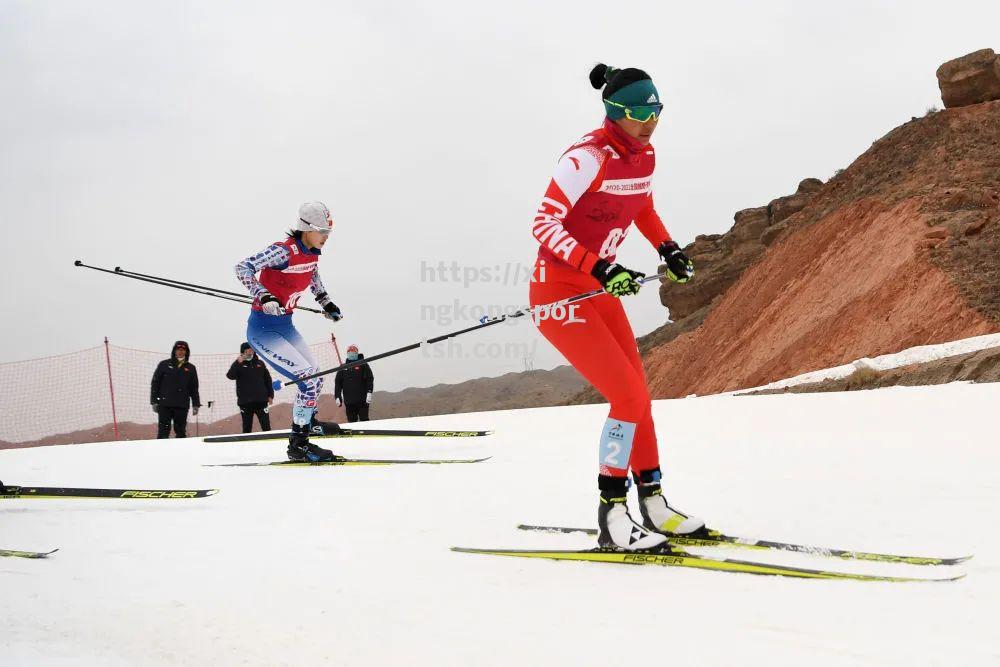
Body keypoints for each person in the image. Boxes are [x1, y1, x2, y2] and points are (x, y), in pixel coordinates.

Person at [528, 64, 703, 551]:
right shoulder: (584, 158)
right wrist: (600, 267)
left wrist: (667, 247)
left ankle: (655, 504)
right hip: (559, 293)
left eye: (657, 111)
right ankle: (612, 513)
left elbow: (641, 205)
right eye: (641, 113)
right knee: (626, 397)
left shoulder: (643, 155)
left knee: (639, 395)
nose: (651, 122)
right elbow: (543, 225)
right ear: (616, 112)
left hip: (597, 288)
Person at [235, 201, 344, 461]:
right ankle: (298, 444)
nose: (326, 237)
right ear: (307, 229)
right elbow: (243, 267)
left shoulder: (311, 254)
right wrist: (263, 295)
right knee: (307, 378)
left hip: (286, 325)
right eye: (322, 232)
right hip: (263, 329)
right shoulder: (283, 251)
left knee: (316, 376)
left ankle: (309, 422)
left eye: (328, 233)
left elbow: (312, 275)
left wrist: (326, 302)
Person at [150, 340, 201, 438]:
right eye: (178, 349)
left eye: (183, 349)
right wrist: (154, 401)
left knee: (181, 431)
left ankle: (180, 452)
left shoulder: (191, 368)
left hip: (181, 405)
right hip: (165, 404)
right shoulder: (164, 364)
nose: (180, 351)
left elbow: (194, 388)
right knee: (163, 431)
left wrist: (196, 404)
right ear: (174, 351)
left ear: (186, 352)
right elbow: (155, 383)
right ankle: (160, 451)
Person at [226, 342, 274, 433]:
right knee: (247, 429)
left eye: (251, 349)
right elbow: (230, 376)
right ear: (243, 352)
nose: (250, 351)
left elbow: (268, 380)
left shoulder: (260, 363)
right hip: (245, 403)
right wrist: (237, 363)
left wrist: (270, 395)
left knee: (266, 427)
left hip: (261, 401)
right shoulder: (238, 364)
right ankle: (246, 446)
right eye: (247, 349)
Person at [334, 344, 374, 422]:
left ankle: (366, 433)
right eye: (349, 351)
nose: (351, 353)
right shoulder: (343, 367)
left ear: (357, 353)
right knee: (351, 422)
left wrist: (369, 392)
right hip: (349, 402)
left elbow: (369, 378)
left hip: (362, 400)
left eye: (353, 351)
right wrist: (337, 396)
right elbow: (338, 383)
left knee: (364, 420)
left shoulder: (363, 364)